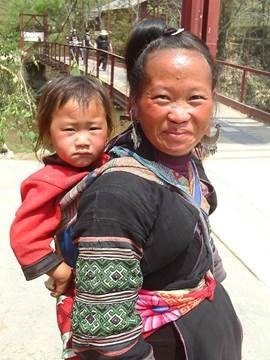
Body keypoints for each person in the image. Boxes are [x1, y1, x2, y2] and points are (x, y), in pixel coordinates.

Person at [69, 19, 242, 359]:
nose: (180, 114)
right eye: (162, 97)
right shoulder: (115, 195)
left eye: (196, 98)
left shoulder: (187, 163)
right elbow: (104, 333)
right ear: (133, 102)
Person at [9, 75, 113, 359]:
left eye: (94, 128)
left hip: (114, 278)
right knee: (83, 344)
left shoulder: (112, 164)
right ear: (48, 133)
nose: (82, 140)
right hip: (79, 286)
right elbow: (26, 237)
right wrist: (60, 271)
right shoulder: (49, 182)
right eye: (69, 130)